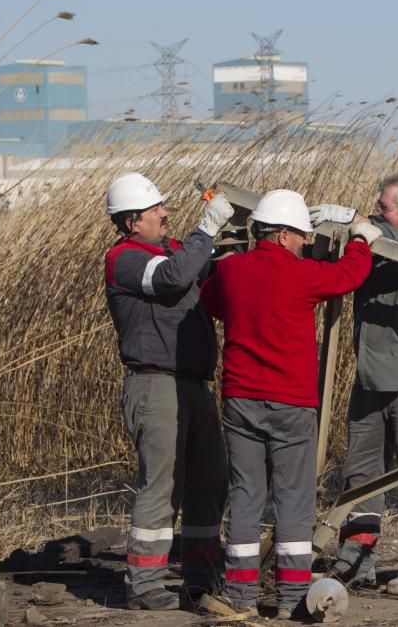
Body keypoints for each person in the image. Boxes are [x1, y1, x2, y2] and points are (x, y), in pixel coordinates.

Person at [200, 189, 380, 619]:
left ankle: (239, 598)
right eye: (300, 235)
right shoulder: (302, 276)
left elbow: (211, 300)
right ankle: (290, 601)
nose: (305, 241)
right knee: (294, 502)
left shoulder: (231, 273)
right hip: (291, 404)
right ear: (282, 235)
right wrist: (360, 235)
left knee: (245, 497)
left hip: (240, 400)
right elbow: (349, 275)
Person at [309, 171, 398, 596]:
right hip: (370, 380)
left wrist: (365, 229)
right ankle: (356, 557)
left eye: (384, 206)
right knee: (360, 476)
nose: (376, 209)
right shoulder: (372, 247)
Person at [103, 172, 234, 611]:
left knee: (209, 481)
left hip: (193, 385)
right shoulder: (125, 259)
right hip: (155, 385)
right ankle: (144, 586)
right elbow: (175, 278)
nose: (165, 213)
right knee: (162, 487)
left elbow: (206, 267)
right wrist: (207, 227)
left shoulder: (170, 249)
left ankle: (200, 578)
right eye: (156, 209)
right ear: (132, 222)